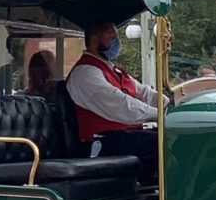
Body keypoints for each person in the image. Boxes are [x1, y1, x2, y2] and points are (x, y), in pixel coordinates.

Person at [66, 21, 160, 179]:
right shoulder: (85, 73)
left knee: (171, 136)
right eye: (112, 38)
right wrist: (160, 115)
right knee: (158, 143)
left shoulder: (113, 70)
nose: (117, 43)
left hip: (121, 136)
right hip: (99, 141)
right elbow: (122, 106)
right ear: (95, 40)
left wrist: (171, 104)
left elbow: (145, 93)